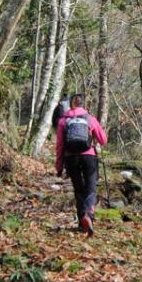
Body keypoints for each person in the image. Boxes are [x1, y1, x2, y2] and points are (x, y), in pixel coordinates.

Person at [55, 93, 107, 235]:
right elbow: (103, 140)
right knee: (90, 188)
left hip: (71, 158)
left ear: (71, 104)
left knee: (79, 189)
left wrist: (59, 167)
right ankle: (88, 215)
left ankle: (81, 222)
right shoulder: (90, 119)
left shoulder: (63, 121)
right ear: (84, 105)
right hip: (89, 157)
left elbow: (59, 146)